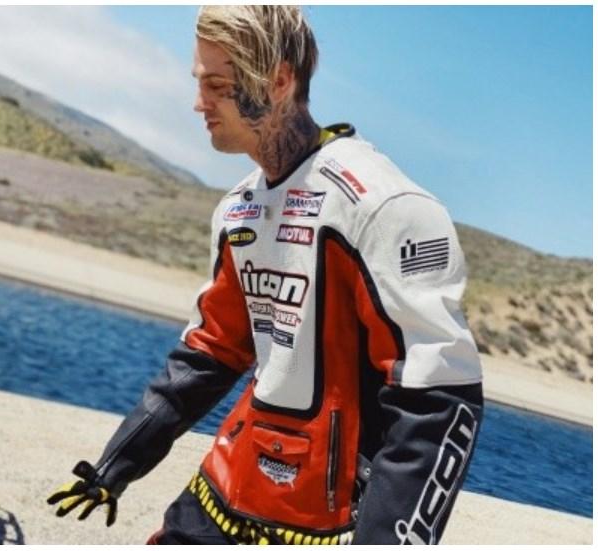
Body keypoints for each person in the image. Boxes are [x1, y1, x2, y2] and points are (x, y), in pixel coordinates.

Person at [47, 6, 483, 545]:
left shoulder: (383, 205)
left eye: (217, 85)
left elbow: (439, 402)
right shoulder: (239, 209)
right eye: (199, 82)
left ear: (279, 81)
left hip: (323, 520)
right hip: (226, 487)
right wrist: (116, 465)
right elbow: (210, 353)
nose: (198, 102)